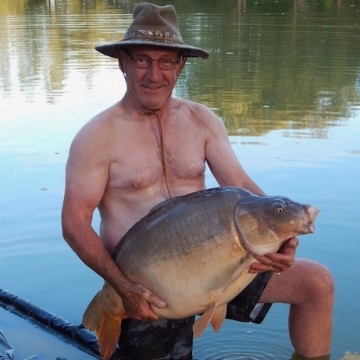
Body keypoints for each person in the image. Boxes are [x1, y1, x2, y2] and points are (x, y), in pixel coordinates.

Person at [61, 3, 334, 360]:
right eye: (142, 59)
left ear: (181, 65)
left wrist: (285, 240)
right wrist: (123, 287)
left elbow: (240, 185)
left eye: (166, 62)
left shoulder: (202, 121)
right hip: (147, 291)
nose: (153, 74)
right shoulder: (96, 137)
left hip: (224, 266)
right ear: (122, 62)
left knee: (317, 284)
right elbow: (74, 223)